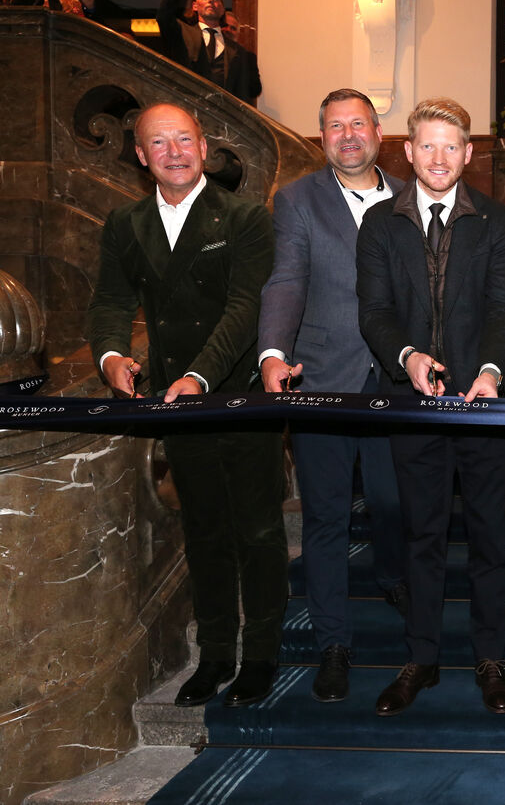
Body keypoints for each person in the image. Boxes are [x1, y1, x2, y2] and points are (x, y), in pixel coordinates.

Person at [86, 103, 287, 709]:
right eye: (159, 143)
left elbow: (245, 307)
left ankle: (262, 656)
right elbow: (109, 303)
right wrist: (112, 357)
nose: (175, 151)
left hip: (239, 394)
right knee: (202, 532)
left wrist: (201, 374)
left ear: (203, 146)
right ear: (141, 156)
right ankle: (217, 655)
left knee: (257, 530)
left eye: (184, 139)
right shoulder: (125, 222)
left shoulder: (246, 217)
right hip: (176, 404)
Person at [356, 97, 505, 717]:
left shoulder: (497, 221)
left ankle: (491, 659)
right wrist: (408, 358)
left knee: (489, 536)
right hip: (413, 403)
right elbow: (373, 311)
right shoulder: (380, 223)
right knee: (422, 533)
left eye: (451, 146)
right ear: (408, 151)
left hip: (485, 405)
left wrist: (488, 371)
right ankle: (421, 657)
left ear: (469, 154)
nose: (439, 157)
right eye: (427, 145)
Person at [258, 89, 408, 703]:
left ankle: (395, 575)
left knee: (396, 503)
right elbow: (287, 279)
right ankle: (333, 644)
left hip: (400, 381)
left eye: (357, 124)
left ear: (379, 131)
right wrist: (272, 352)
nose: (347, 135)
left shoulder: (411, 194)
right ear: (321, 138)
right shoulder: (297, 199)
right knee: (324, 517)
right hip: (323, 378)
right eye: (333, 127)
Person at [157, 0, 262, 103]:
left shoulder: (238, 52)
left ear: (222, 8)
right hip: (186, 113)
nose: (211, 0)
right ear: (194, 5)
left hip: (221, 121)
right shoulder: (182, 32)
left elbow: (242, 97)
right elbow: (163, 15)